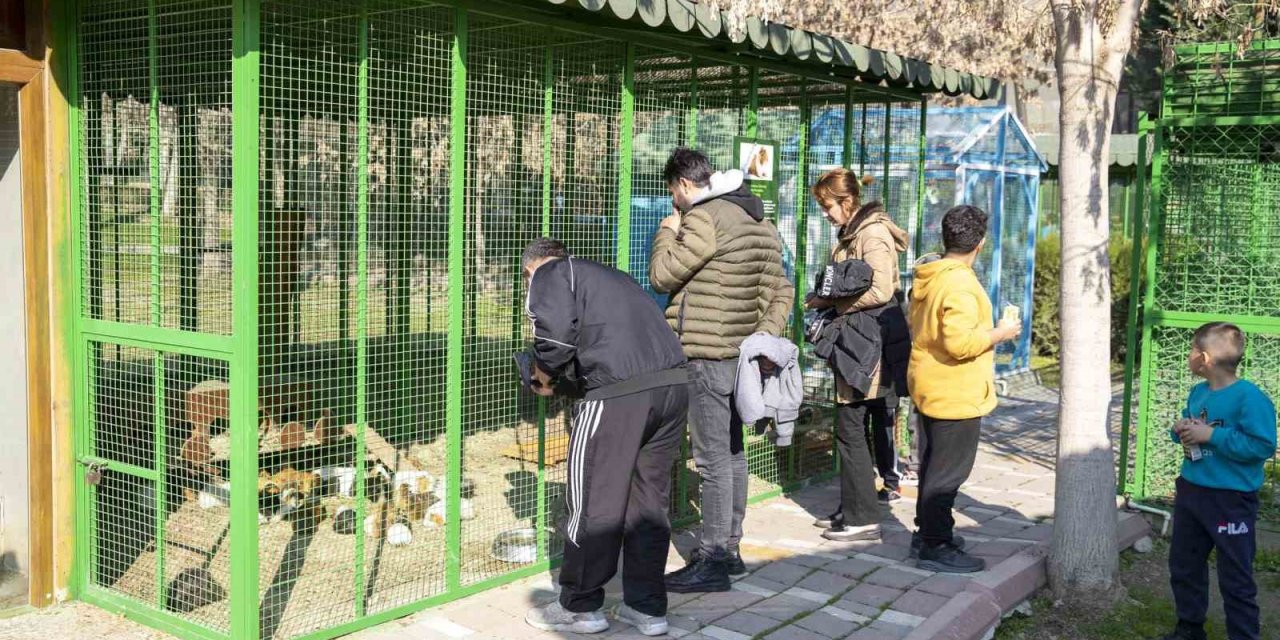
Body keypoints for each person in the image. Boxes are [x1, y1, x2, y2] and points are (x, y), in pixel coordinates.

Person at [518, 238, 690, 637]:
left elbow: (555, 339)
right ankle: (646, 610)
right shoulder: (614, 278)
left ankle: (580, 607)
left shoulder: (550, 273)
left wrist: (542, 377)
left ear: (532, 268)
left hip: (619, 395)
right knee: (648, 502)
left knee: (593, 498)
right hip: (672, 388)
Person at [649, 147, 794, 593]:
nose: (675, 201)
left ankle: (712, 558)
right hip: (741, 360)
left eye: (674, 193)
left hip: (706, 358)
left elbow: (661, 275)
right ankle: (729, 549)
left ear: (686, 185)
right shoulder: (760, 221)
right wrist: (761, 340)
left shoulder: (701, 216)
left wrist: (666, 230)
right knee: (732, 454)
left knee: (712, 461)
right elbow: (781, 290)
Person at [906, 205, 1020, 573]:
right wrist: (1001, 333)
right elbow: (958, 343)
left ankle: (929, 533)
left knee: (933, 466)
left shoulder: (932, 273)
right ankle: (935, 545)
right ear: (980, 243)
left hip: (930, 382)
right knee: (948, 474)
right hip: (954, 391)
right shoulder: (958, 282)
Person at [805, 169, 911, 542]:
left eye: (828, 206)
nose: (826, 213)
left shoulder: (872, 233)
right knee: (852, 429)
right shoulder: (853, 232)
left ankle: (863, 518)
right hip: (860, 344)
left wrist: (832, 304)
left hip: (871, 345)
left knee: (851, 429)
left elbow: (881, 290)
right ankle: (854, 506)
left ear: (846, 201)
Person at [1159, 322, 1276, 640]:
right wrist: (1182, 428)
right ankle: (1189, 629)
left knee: (1235, 576)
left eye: (1192, 350)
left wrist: (1211, 434)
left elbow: (1262, 445)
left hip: (1231, 499)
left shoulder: (1249, 398)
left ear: (1205, 357)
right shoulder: (1198, 392)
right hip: (1192, 492)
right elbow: (1190, 426)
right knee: (1184, 565)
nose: (1188, 355)